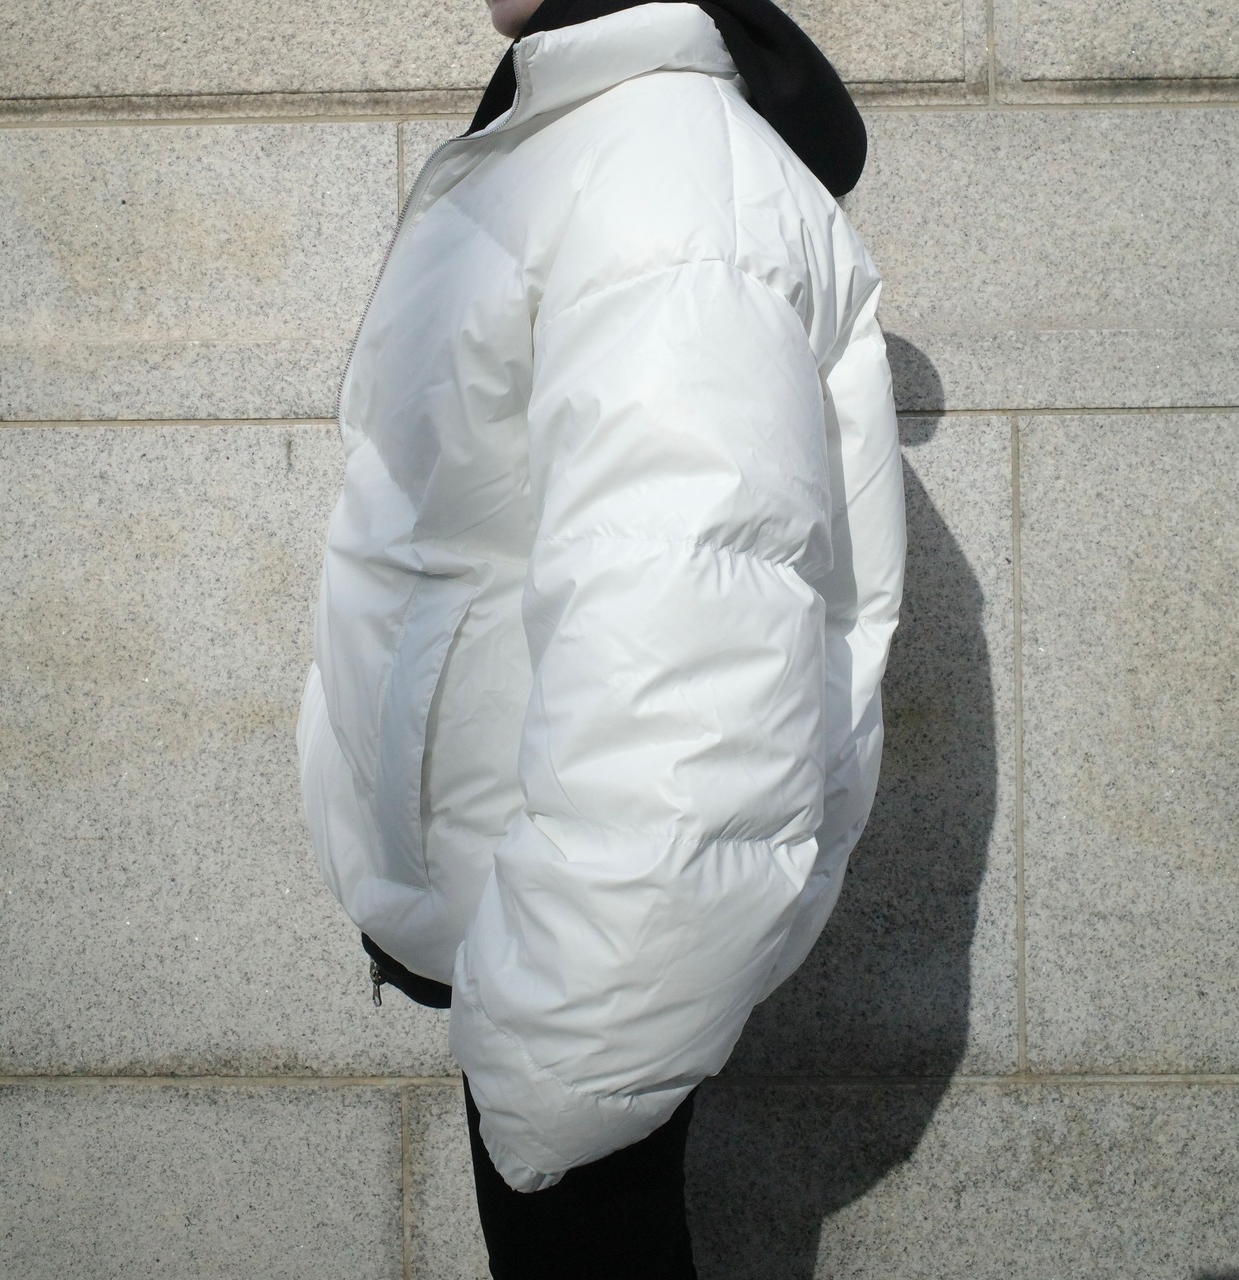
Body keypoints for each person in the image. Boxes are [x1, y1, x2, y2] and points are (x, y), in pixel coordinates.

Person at [295, 0, 905, 1273]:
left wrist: (563, 1051)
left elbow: (685, 662)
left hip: (572, 976)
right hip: (535, 933)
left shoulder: (658, 176)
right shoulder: (577, 144)